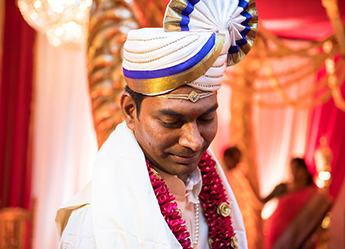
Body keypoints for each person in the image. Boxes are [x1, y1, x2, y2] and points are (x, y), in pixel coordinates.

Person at [55, 0, 258, 248]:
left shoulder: (212, 197)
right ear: (130, 111)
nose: (194, 141)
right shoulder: (92, 222)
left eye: (206, 119)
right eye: (172, 121)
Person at [262, 158, 331, 249]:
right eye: (292, 169)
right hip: (276, 235)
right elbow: (262, 201)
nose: (294, 173)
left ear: (305, 171)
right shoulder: (283, 188)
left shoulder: (314, 196)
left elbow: (320, 213)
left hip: (300, 238)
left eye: (297, 169)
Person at [223, 147, 263, 249]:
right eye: (236, 160)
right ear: (227, 158)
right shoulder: (218, 171)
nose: (238, 163)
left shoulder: (237, 175)